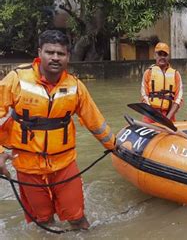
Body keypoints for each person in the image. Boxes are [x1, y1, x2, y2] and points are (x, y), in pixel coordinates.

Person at [0, 30, 115, 230]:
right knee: (43, 220)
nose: (55, 58)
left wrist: (114, 146)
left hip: (64, 165)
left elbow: (95, 121)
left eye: (60, 54)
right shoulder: (16, 79)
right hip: (27, 166)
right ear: (39, 52)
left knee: (78, 219)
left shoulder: (75, 86)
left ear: (68, 57)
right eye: (49, 52)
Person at [141, 42, 183, 122]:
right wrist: (153, 114)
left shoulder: (176, 74)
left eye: (165, 55)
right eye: (160, 54)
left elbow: (179, 98)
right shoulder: (148, 73)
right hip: (150, 115)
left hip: (169, 116)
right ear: (155, 55)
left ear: (168, 57)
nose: (162, 57)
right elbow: (144, 96)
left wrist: (167, 118)